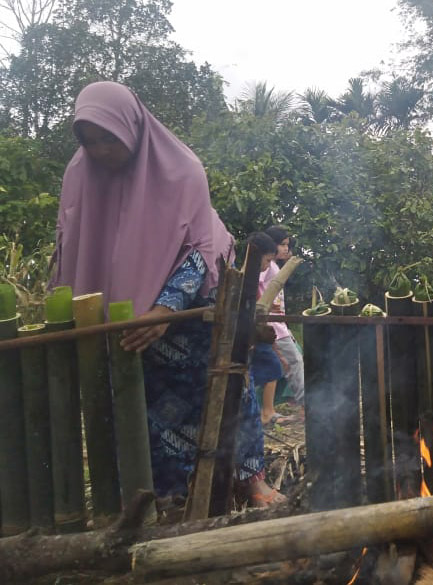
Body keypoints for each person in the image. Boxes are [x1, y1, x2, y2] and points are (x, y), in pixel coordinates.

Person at [51, 81, 283, 507]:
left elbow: (200, 248)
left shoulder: (182, 170)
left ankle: (251, 482)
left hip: (189, 320)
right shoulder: (79, 174)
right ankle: (163, 498)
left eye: (110, 138)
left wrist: (162, 311)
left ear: (134, 128)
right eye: (90, 141)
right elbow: (68, 244)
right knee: (145, 415)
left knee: (231, 388)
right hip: (124, 327)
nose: (100, 150)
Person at [247, 232, 292, 426]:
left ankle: (261, 410)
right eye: (266, 260)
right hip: (251, 336)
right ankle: (266, 412)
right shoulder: (247, 279)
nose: (267, 265)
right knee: (274, 367)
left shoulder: (251, 278)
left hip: (257, 334)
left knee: (263, 371)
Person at [261, 225, 305, 406]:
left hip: (277, 325)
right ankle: (305, 404)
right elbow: (256, 287)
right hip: (274, 327)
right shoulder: (269, 266)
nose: (286, 248)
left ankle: (271, 407)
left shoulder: (274, 266)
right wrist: (266, 304)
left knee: (278, 365)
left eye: (287, 245)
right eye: (282, 244)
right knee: (294, 361)